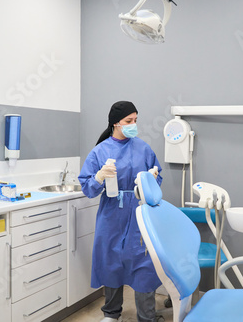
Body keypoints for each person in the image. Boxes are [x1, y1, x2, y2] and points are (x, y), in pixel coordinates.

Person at [78, 101, 163, 322]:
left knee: (144, 264)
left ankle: (147, 316)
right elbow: (87, 188)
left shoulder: (143, 148)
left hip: (140, 213)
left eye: (135, 120)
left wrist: (152, 178)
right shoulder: (100, 151)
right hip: (112, 214)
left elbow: (158, 177)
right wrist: (98, 177)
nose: (134, 125)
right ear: (116, 123)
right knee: (111, 261)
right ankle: (111, 313)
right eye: (129, 121)